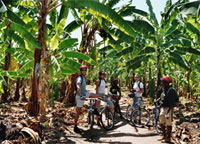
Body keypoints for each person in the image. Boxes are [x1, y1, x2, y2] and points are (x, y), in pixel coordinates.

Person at [74, 65, 100, 133]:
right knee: (78, 111)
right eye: (83, 70)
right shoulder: (79, 78)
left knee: (97, 96)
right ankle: (75, 126)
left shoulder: (84, 78)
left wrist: (86, 92)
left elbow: (83, 88)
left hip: (84, 94)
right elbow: (78, 87)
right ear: (81, 71)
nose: (84, 71)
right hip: (79, 96)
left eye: (85, 70)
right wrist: (80, 95)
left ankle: (95, 109)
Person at [157, 76, 177, 143]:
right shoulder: (164, 89)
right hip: (163, 108)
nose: (161, 83)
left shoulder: (170, 91)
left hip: (168, 108)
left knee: (168, 123)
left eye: (163, 82)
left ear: (167, 83)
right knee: (161, 122)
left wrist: (168, 113)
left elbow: (171, 104)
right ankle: (164, 135)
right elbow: (161, 98)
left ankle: (168, 137)